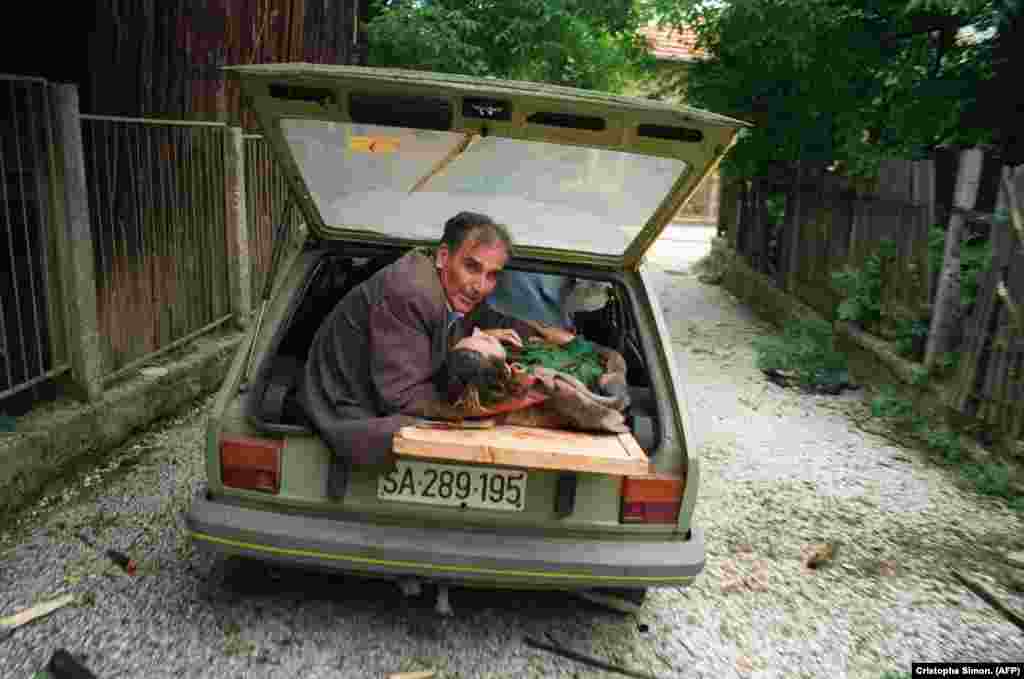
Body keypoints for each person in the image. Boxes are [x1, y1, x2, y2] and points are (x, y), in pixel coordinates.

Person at [300, 212, 539, 469]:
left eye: (492, 275)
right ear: (443, 257)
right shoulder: (410, 291)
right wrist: (482, 408)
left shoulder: (453, 288)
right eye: (472, 267)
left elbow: (486, 319)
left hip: (376, 397)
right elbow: (403, 397)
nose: (480, 286)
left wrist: (545, 334)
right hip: (347, 408)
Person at [440, 320, 632, 433]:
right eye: (485, 339)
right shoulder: (542, 374)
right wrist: (556, 337)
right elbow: (590, 352)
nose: (479, 333)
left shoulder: (508, 356)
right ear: (506, 369)